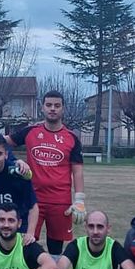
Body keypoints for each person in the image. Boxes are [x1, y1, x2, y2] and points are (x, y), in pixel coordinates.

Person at [8, 91, 85, 255]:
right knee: (26, 242)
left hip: (60, 200)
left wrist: (79, 200)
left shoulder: (72, 138)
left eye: (57, 105)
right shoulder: (30, 132)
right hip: (32, 198)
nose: (52, 109)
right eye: (49, 105)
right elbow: (2, 142)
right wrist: (14, 160)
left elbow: (77, 171)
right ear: (42, 107)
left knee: (56, 246)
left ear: (63, 109)